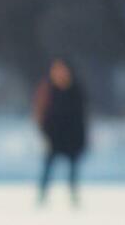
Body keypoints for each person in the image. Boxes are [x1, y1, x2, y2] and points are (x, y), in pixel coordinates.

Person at [34, 58, 89, 206]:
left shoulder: (75, 91)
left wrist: (82, 139)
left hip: (72, 137)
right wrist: (45, 132)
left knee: (73, 171)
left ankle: (73, 196)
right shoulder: (49, 90)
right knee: (48, 169)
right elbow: (40, 113)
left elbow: (81, 117)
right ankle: (42, 196)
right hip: (54, 137)